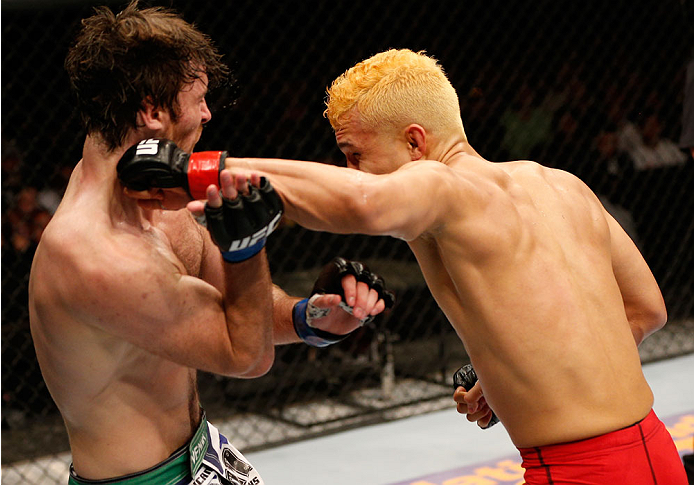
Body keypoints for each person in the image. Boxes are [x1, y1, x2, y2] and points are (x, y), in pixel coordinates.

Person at [118, 48, 688, 484]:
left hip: (579, 471)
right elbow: (646, 309)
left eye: (356, 155)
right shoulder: (562, 184)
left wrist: (196, 171)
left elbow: (358, 204)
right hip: (656, 449)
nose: (353, 172)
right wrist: (518, 384)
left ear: (416, 142)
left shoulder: (441, 184)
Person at [28, 3, 392, 484]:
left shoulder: (154, 192)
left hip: (204, 454)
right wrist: (246, 247)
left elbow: (239, 308)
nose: (207, 112)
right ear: (152, 111)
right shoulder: (95, 255)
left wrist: (315, 316)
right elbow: (245, 355)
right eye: (196, 98)